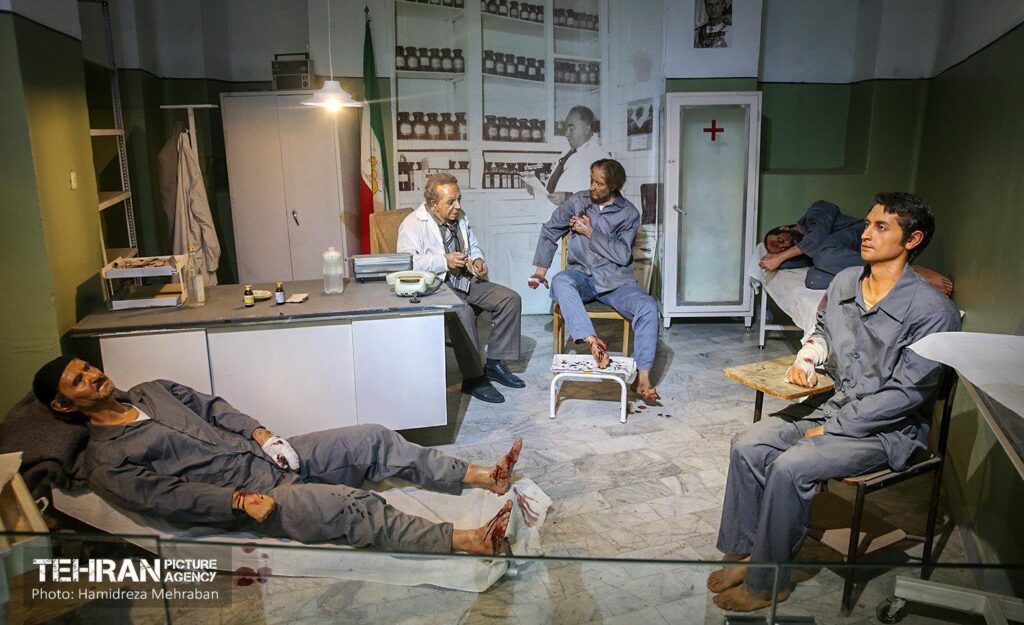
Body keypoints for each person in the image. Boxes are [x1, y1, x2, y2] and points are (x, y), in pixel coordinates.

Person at [709, 192, 961, 611]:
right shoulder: (846, 281)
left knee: (791, 466)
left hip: (886, 429)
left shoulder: (933, 311)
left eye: (881, 227)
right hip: (836, 402)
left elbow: (909, 393)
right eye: (868, 223)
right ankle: (750, 553)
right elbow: (824, 327)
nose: (866, 233)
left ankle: (769, 582)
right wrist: (809, 357)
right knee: (748, 444)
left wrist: (835, 429)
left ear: (912, 239)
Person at [32, 356, 524, 556]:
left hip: (270, 456)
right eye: (79, 381)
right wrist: (237, 502)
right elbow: (168, 498)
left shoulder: (151, 390)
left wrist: (264, 435)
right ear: (64, 405)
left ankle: (483, 476)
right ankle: (467, 540)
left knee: (373, 436)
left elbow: (215, 409)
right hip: (255, 495)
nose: (94, 377)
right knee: (354, 506)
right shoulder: (107, 461)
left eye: (88, 368)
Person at [529, 158, 661, 403]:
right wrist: (540, 271)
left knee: (648, 306)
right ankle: (592, 341)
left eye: (599, 184)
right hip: (581, 276)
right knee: (561, 281)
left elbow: (622, 254)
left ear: (613, 186)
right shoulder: (577, 202)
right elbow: (550, 230)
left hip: (615, 282)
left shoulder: (629, 213)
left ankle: (642, 378)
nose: (592, 187)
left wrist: (590, 232)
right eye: (591, 180)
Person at [397, 173, 525, 404]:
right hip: (436, 285)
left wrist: (477, 260)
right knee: (462, 312)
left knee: (510, 299)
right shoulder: (413, 224)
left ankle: (495, 364)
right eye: (451, 202)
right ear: (433, 204)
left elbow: (472, 245)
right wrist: (443, 260)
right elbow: (406, 262)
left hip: (464, 279)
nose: (458, 206)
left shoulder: (460, 217)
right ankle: (474, 379)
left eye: (459, 199)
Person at [759, 199, 954, 295]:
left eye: (780, 240)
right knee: (813, 280)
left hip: (855, 237)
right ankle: (890, 280)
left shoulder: (817, 210)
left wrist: (780, 257)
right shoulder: (801, 253)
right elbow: (789, 263)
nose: (785, 245)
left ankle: (908, 269)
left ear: (784, 228)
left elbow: (817, 238)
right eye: (781, 249)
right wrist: (772, 260)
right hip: (844, 258)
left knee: (823, 255)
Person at [536, 106, 611, 205]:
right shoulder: (567, 153)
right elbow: (557, 185)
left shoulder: (600, 157)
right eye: (566, 128)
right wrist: (539, 189)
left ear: (586, 129)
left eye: (571, 129)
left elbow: (606, 194)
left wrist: (568, 197)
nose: (566, 134)